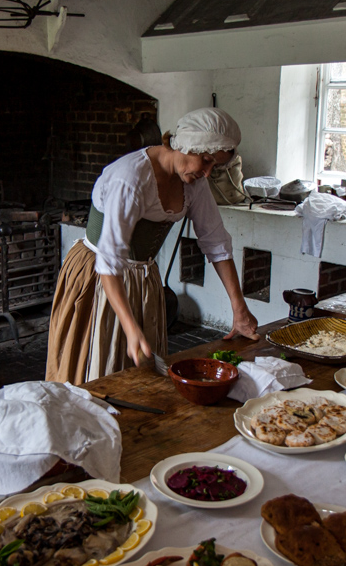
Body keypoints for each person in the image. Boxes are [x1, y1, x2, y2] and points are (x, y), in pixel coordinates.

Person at [45, 107, 259, 385]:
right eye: (205, 161)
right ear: (185, 145)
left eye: (214, 166)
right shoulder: (131, 178)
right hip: (98, 276)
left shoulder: (192, 182)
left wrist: (239, 309)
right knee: (99, 369)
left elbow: (216, 242)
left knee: (141, 375)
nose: (207, 173)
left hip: (143, 278)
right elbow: (109, 263)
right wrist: (131, 327)